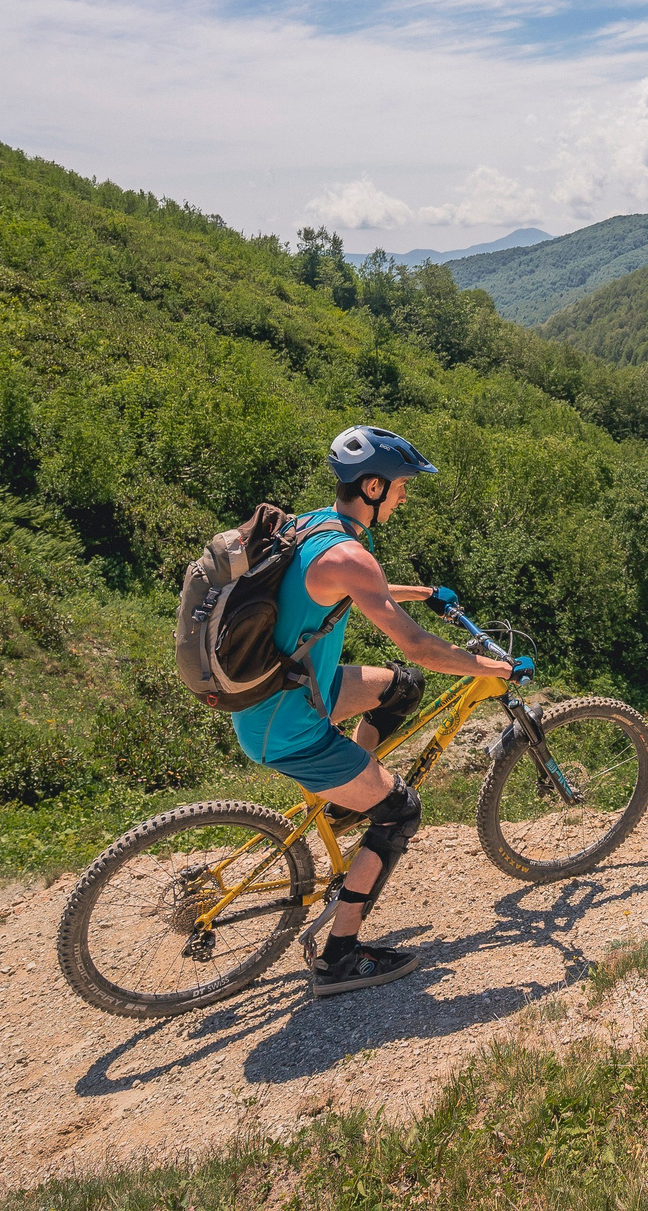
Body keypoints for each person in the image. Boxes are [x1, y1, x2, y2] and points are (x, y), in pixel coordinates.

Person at [229, 424, 511, 997]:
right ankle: (339, 958)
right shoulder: (352, 555)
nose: (405, 497)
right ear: (375, 486)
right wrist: (489, 669)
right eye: (403, 487)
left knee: (400, 688)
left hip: (284, 693)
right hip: (289, 724)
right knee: (402, 812)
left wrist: (424, 593)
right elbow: (420, 647)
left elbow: (363, 589)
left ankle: (341, 809)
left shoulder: (314, 525)